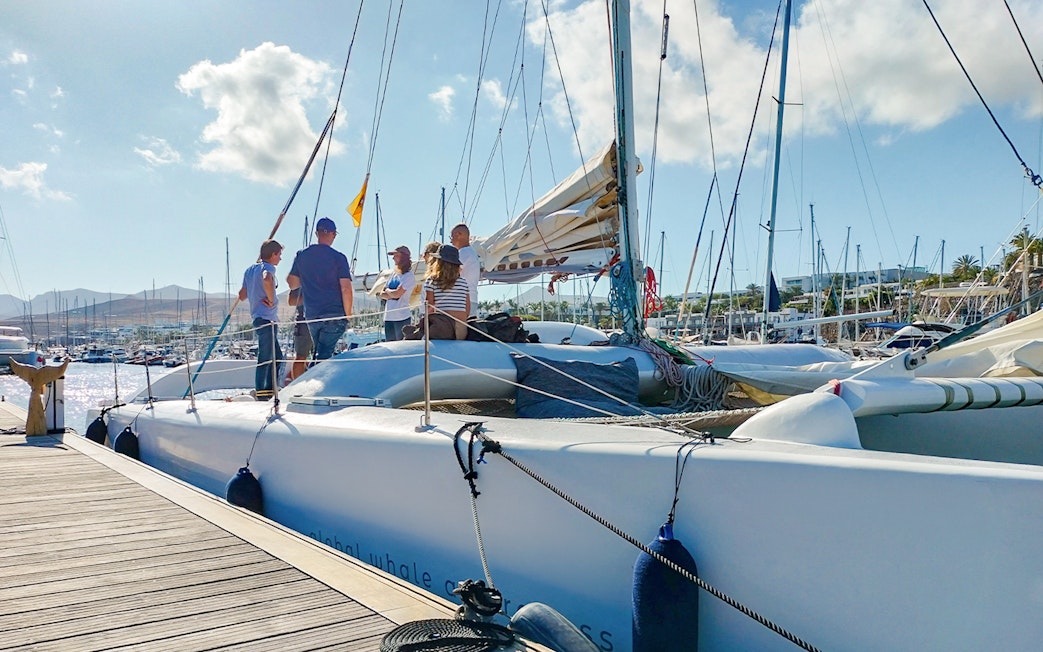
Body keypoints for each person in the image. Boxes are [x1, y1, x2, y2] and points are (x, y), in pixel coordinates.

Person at [286, 217, 353, 360]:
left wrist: (307, 275)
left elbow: (292, 284)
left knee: (319, 354)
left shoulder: (301, 255)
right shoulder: (339, 258)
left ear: (317, 234)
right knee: (324, 356)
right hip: (335, 314)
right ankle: (319, 381)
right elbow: (346, 288)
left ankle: (315, 378)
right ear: (333, 234)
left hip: (312, 315)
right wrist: (348, 315)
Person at [238, 239, 284, 401]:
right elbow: (266, 279)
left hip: (258, 318)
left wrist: (253, 290)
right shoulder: (268, 268)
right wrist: (271, 299)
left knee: (277, 357)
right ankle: (262, 393)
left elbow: (242, 296)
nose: (280, 259)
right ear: (272, 255)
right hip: (267, 318)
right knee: (266, 357)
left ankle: (271, 389)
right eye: (279, 255)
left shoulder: (250, 270)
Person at [421, 243, 470, 340]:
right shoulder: (463, 282)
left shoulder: (432, 281)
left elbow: (429, 307)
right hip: (461, 327)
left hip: (442, 327)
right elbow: (467, 309)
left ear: (438, 263)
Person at [379, 245, 417, 341]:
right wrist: (391, 293)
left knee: (401, 345)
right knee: (390, 345)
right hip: (388, 317)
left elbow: (397, 294)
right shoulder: (393, 274)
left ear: (403, 257)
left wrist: (388, 291)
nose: (393, 258)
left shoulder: (409, 276)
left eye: (396, 255)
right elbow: (381, 294)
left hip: (402, 317)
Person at [450, 223, 480, 317]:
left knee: (460, 330)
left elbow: (451, 274)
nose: (451, 241)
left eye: (452, 236)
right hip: (470, 298)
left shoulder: (463, 253)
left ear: (459, 235)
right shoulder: (471, 252)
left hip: (463, 301)